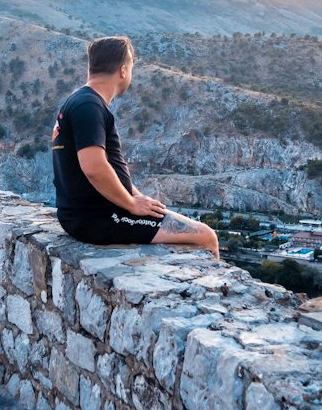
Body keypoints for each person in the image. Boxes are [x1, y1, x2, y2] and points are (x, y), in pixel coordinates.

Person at [51, 36, 220, 259]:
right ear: (123, 70)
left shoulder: (79, 100)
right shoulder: (89, 106)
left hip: (84, 216)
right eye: (130, 67)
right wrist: (130, 204)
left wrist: (137, 196)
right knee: (207, 236)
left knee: (173, 219)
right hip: (98, 219)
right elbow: (93, 166)